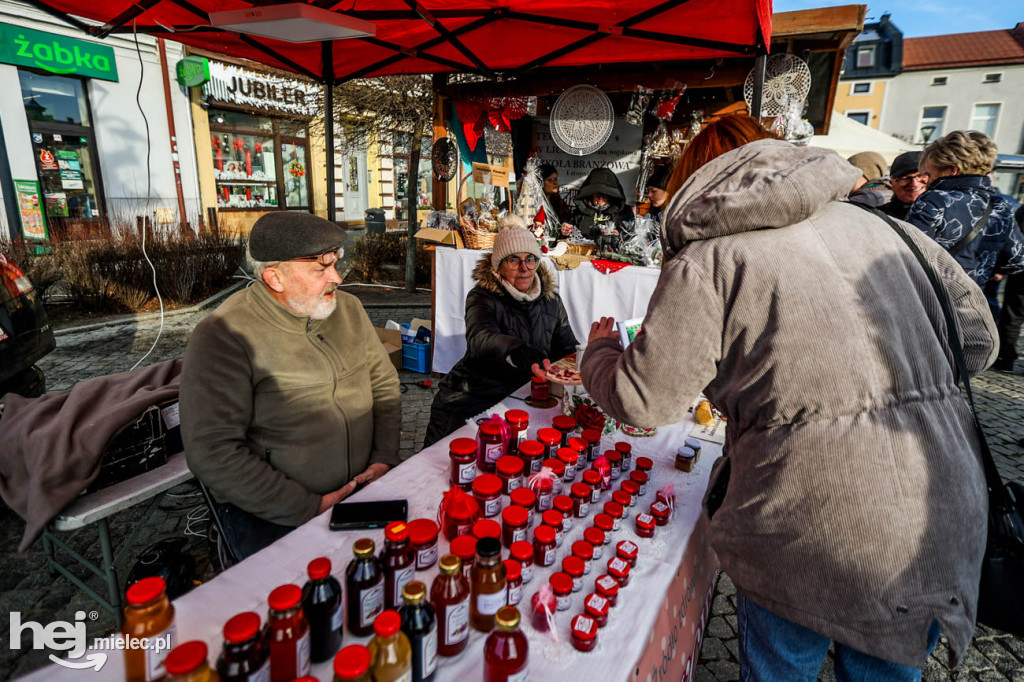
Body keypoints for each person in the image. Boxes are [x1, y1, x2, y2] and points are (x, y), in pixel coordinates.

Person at [580, 114, 996, 681]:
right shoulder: (890, 229)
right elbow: (979, 340)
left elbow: (642, 400)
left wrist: (599, 353)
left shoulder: (712, 257)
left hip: (803, 515)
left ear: (697, 182)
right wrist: (896, 382)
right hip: (934, 502)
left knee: (782, 667)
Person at [180, 212, 401, 560]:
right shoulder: (224, 336)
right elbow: (213, 451)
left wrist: (384, 458)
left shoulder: (350, 309)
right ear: (275, 278)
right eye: (321, 268)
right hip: (278, 515)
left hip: (363, 490)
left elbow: (384, 384)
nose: (337, 278)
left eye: (336, 263)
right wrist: (307, 506)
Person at [424, 218, 577, 446]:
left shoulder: (550, 299)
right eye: (513, 260)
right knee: (440, 466)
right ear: (498, 266)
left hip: (522, 398)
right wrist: (520, 351)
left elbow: (565, 349)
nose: (524, 268)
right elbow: (481, 339)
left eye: (530, 259)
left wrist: (588, 354)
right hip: (472, 396)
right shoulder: (482, 296)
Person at [906, 130, 1024, 288]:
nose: (927, 180)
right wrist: (982, 268)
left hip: (931, 298)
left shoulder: (935, 199)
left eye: (929, 174)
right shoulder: (1001, 206)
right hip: (974, 303)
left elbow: (907, 253)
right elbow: (1017, 261)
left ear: (952, 170)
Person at [562, 167, 633, 251]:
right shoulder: (579, 212)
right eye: (597, 195)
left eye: (605, 196)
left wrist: (620, 236)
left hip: (613, 258)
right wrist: (564, 231)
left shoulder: (624, 212)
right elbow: (567, 236)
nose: (600, 199)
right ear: (590, 195)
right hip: (584, 256)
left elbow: (632, 237)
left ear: (611, 196)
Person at [994, 203, 1024, 372]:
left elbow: (1014, 240)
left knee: (1012, 317)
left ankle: (1006, 359)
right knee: (1012, 317)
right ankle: (1005, 357)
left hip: (1021, 272)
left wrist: (1001, 267)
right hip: (1020, 272)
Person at [879, 151, 926, 220]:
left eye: (921, 175)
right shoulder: (879, 216)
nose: (914, 184)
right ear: (891, 183)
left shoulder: (945, 214)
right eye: (905, 178)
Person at [538, 163, 573, 237]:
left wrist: (564, 228)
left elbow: (565, 223)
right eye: (550, 180)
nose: (555, 183)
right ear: (540, 182)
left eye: (556, 179)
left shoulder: (559, 204)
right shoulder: (534, 205)